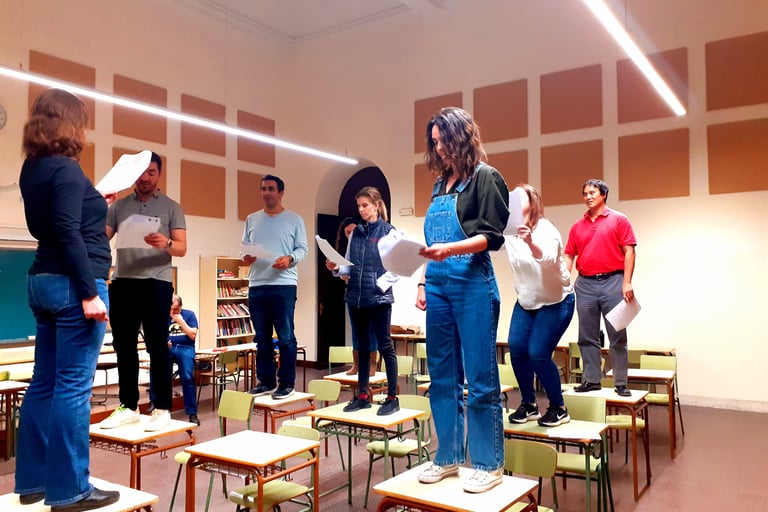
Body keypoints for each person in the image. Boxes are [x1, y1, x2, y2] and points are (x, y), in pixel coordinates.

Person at [14, 88, 120, 511]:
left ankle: (34, 483)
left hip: (41, 279)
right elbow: (68, 231)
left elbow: (62, 220)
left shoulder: (34, 168)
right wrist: (90, 293)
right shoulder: (68, 169)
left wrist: (98, 202)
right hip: (74, 283)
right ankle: (71, 489)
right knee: (74, 387)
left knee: (44, 382)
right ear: (71, 124)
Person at [415, 107, 509, 493]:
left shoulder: (486, 178)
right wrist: (423, 281)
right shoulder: (440, 185)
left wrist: (450, 250)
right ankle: (448, 456)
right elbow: (432, 246)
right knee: (441, 376)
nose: (437, 149)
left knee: (481, 379)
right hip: (437, 283)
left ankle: (489, 463)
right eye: (433, 143)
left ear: (461, 137)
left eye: (442, 141)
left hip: (472, 282)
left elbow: (492, 236)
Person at [100, 151, 187, 431]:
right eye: (141, 173)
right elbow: (102, 237)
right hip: (123, 281)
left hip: (157, 282)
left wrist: (165, 243)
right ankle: (128, 406)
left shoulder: (172, 207)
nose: (145, 178)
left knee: (156, 345)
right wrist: (101, 207)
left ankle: (161, 407)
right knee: (123, 347)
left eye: (151, 172)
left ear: (159, 175)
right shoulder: (119, 206)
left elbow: (182, 248)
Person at [504, 184, 575, 427]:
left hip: (557, 301)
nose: (513, 199)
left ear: (532, 203)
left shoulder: (547, 230)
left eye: (519, 197)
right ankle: (529, 404)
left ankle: (559, 407)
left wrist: (531, 242)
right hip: (527, 301)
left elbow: (549, 260)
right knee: (516, 348)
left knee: (537, 353)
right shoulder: (508, 230)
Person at [326, 187, 400, 415]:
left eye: (365, 205)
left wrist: (378, 286)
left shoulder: (389, 231)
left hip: (378, 298)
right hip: (355, 298)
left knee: (385, 346)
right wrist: (337, 268)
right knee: (363, 348)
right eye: (359, 206)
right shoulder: (356, 232)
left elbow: (397, 267)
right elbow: (349, 264)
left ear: (376, 205)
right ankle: (363, 395)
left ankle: (392, 397)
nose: (361, 210)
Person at [564, 178, 637, 397]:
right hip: (585, 283)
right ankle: (591, 379)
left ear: (603, 194)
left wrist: (627, 281)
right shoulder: (577, 226)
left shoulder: (619, 220)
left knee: (618, 335)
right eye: (585, 193)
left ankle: (621, 382)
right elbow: (569, 255)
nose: (588, 196)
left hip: (613, 281)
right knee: (587, 335)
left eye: (592, 192)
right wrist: (564, 279)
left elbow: (629, 251)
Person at [243, 175, 308, 400]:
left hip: (283, 284)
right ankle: (266, 381)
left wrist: (290, 258)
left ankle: (286, 383)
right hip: (257, 284)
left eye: (271, 189)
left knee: (285, 337)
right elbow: (246, 248)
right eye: (263, 189)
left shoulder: (294, 219)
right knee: (261, 338)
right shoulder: (252, 219)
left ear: (281, 192)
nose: (266, 193)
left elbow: (303, 249)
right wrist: (247, 256)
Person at [334, 216, 378, 376]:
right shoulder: (346, 249)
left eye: (353, 231)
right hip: (352, 290)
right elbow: (344, 271)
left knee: (370, 328)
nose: (350, 234)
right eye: (347, 232)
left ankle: (372, 363)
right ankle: (357, 364)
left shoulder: (369, 243)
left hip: (369, 290)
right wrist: (338, 269)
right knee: (356, 328)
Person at [167, 295, 200, 425]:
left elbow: (192, 335)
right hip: (169, 348)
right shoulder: (165, 316)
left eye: (175, 309)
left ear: (180, 307)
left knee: (187, 376)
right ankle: (161, 407)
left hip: (185, 348)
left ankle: (192, 413)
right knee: (159, 371)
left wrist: (180, 321)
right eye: (170, 309)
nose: (172, 313)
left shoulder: (189, 315)